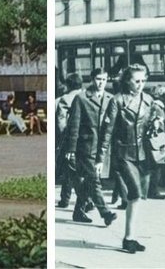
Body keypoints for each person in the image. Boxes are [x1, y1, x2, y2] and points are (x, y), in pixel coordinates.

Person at [101, 64, 165, 254]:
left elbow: (159, 118)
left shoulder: (148, 99)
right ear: (127, 80)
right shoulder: (117, 101)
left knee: (137, 198)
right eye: (137, 81)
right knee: (135, 194)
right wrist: (100, 158)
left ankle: (130, 238)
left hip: (144, 155)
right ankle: (129, 238)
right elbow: (107, 131)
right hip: (124, 154)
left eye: (143, 81)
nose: (140, 85)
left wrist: (158, 121)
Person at [65, 68, 118, 227]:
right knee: (94, 180)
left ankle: (78, 211)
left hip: (102, 147)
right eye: (98, 79)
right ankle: (106, 213)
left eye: (104, 79)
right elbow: (74, 125)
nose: (101, 83)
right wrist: (71, 149)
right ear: (92, 79)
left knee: (89, 180)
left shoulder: (110, 98)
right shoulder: (81, 98)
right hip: (86, 146)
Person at [56, 72, 84, 208]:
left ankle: (76, 199)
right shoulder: (87, 96)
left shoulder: (65, 99)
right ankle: (65, 199)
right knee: (75, 169)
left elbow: (61, 123)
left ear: (68, 85)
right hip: (86, 139)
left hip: (70, 140)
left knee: (70, 169)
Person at [145, 85, 165, 199]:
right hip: (156, 142)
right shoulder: (158, 108)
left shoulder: (152, 105)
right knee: (157, 166)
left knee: (152, 166)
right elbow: (157, 125)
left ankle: (150, 190)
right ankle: (153, 191)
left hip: (151, 141)